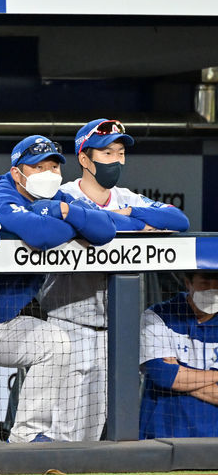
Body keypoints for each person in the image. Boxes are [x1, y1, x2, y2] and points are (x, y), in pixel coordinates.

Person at [0, 135, 117, 443]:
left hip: (8, 325)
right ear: (17, 172)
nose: (48, 173)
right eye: (38, 166)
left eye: (53, 166)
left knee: (56, 343)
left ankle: (27, 436)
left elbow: (105, 230)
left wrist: (67, 213)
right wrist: (66, 221)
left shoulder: (58, 195)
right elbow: (41, 234)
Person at [39, 119, 189, 441]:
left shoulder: (126, 197)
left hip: (115, 334)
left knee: (96, 431)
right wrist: (127, 221)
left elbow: (178, 219)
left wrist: (128, 215)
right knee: (61, 430)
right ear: (84, 159)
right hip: (68, 326)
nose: (116, 160)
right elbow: (78, 221)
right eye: (107, 152)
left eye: (120, 152)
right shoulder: (59, 195)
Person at [140, 270, 218, 438]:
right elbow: (163, 376)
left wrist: (181, 374)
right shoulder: (158, 315)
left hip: (213, 437)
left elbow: (173, 378)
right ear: (188, 283)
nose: (212, 289)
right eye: (205, 282)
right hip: (162, 434)